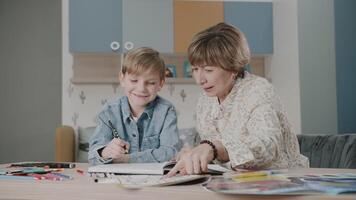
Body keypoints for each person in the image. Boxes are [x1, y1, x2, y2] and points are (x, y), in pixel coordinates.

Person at [167, 23, 309, 176]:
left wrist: (215, 148)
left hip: (282, 180)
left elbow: (268, 146)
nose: (200, 79)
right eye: (195, 69)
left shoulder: (258, 90)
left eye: (208, 70)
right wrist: (193, 155)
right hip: (234, 180)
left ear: (233, 68)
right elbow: (213, 154)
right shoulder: (205, 100)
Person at [89, 47, 181, 165]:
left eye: (151, 83)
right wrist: (105, 152)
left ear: (160, 84)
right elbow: (92, 155)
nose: (141, 89)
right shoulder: (109, 112)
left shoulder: (167, 111)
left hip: (155, 181)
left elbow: (170, 152)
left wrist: (128, 159)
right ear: (122, 79)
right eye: (134, 80)